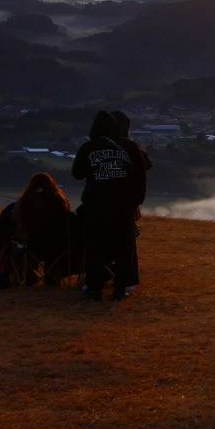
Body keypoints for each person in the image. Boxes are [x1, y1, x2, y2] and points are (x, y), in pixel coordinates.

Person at [72, 110, 147, 302]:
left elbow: (77, 173)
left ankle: (94, 288)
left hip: (95, 206)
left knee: (95, 247)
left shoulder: (88, 147)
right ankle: (121, 288)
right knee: (124, 248)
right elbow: (140, 175)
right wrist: (136, 201)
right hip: (123, 207)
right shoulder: (130, 147)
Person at [110, 111, 151, 293]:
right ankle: (127, 279)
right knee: (126, 243)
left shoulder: (97, 146)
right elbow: (146, 165)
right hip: (126, 202)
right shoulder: (131, 147)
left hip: (102, 201)